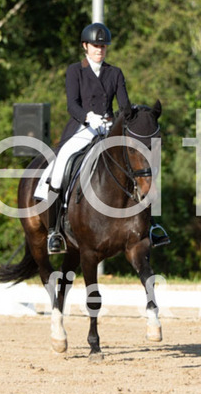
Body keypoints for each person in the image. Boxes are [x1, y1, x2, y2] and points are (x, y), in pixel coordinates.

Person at [46, 22, 169, 253]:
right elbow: (72, 104)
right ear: (85, 46)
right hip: (82, 127)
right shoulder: (75, 70)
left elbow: (123, 106)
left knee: (139, 166)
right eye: (95, 46)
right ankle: (55, 230)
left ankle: (151, 225)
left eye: (103, 46)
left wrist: (128, 117)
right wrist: (88, 117)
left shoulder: (115, 73)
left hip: (109, 128)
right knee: (61, 163)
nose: (100, 50)